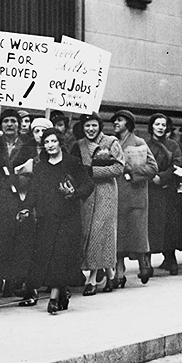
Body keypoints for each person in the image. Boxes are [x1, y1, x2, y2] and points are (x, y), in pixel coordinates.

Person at [17, 129, 94, 314]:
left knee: (61, 257)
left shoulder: (72, 163)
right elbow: (34, 190)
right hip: (47, 218)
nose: (50, 145)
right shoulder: (41, 166)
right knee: (49, 259)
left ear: (60, 143)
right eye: (47, 142)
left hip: (68, 218)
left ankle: (53, 298)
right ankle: (61, 292)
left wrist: (74, 193)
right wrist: (26, 207)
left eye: (53, 141)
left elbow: (88, 184)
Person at [0, 108, 33, 299]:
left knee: (17, 240)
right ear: (1, 124)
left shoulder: (28, 146)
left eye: (13, 121)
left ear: (19, 125)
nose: (10, 125)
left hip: (20, 196)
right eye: (6, 121)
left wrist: (20, 181)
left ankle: (11, 281)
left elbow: (32, 172)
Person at [75, 112, 124, 294]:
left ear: (100, 126)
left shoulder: (111, 142)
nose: (90, 129)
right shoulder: (79, 145)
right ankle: (111, 276)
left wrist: (92, 171)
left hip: (106, 192)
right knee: (88, 232)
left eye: (94, 125)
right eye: (87, 126)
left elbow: (119, 167)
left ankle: (93, 279)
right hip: (86, 194)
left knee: (99, 232)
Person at [111, 110, 158, 286]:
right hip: (119, 196)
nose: (116, 122)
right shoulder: (113, 143)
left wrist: (132, 170)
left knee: (137, 235)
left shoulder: (139, 142)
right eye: (115, 120)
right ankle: (119, 274)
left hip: (136, 195)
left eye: (120, 120)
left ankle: (143, 265)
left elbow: (153, 168)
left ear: (128, 124)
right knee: (120, 237)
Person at [145, 113, 182, 274]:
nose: (160, 127)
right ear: (151, 126)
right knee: (150, 224)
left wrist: (161, 178)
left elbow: (177, 165)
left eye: (163, 124)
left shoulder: (173, 145)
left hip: (168, 190)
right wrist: (151, 178)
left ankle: (170, 258)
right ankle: (147, 261)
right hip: (151, 191)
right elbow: (141, 164)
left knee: (170, 224)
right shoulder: (145, 145)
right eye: (157, 124)